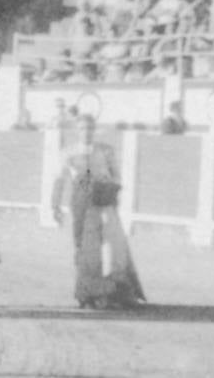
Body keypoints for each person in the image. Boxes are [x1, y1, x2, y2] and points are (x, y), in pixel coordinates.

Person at [51, 114, 145, 310]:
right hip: (82, 203)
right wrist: (55, 205)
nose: (86, 132)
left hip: (104, 200)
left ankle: (116, 293)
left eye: (90, 128)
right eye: (83, 128)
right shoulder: (68, 153)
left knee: (115, 246)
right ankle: (88, 294)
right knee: (87, 249)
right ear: (77, 130)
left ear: (94, 129)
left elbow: (117, 175)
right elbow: (59, 180)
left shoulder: (105, 150)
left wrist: (110, 188)